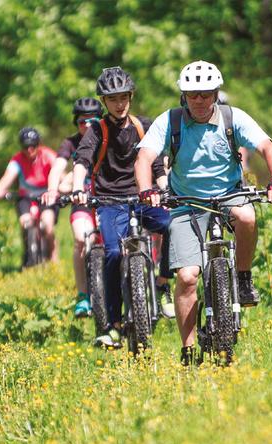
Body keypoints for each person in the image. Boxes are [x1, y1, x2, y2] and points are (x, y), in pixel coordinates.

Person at [135, 61, 272, 365]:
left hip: (230, 195)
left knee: (247, 217)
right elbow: (144, 157)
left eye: (206, 94)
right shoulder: (171, 121)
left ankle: (243, 279)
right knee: (188, 277)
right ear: (184, 95)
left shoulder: (233, 118)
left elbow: (267, 148)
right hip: (185, 202)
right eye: (193, 95)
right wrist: (147, 189)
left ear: (216, 93)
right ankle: (188, 349)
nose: (199, 101)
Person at [70, 66, 171, 348]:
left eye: (124, 96)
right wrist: (79, 188)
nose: (119, 103)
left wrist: (162, 187)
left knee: (170, 224)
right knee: (113, 253)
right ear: (104, 101)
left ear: (131, 96)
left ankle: (163, 282)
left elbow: (155, 161)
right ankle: (112, 323)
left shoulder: (142, 126)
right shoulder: (96, 130)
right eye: (113, 98)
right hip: (109, 202)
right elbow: (83, 161)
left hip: (142, 196)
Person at [42, 97, 103, 317]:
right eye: (81, 121)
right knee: (81, 239)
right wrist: (52, 189)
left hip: (108, 199)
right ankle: (83, 295)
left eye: (92, 120)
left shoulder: (107, 137)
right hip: (82, 201)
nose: (86, 125)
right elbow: (57, 167)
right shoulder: (70, 143)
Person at [0, 127, 59, 264]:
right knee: (25, 223)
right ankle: (29, 255)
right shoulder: (17, 160)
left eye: (33, 146)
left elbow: (59, 173)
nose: (29, 150)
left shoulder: (48, 155)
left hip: (47, 196)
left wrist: (61, 188)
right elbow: (7, 178)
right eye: (25, 146)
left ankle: (54, 260)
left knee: (48, 225)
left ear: (38, 145)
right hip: (26, 198)